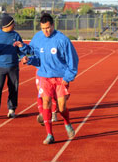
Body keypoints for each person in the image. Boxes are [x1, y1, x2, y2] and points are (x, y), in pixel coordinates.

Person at [14, 13, 79, 145]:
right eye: (43, 28)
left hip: (61, 78)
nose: (46, 31)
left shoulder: (63, 40)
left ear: (53, 25)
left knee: (61, 107)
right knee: (46, 103)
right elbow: (34, 54)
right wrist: (27, 57)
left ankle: (67, 123)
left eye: (48, 28)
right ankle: (50, 134)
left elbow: (73, 60)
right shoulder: (38, 37)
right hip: (45, 76)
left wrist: (68, 77)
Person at [0, 15, 25, 119]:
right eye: (13, 23)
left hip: (13, 66)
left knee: (13, 88)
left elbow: (20, 49)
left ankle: (11, 109)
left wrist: (24, 56)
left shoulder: (16, 35)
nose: (14, 25)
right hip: (0, 67)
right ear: (7, 25)